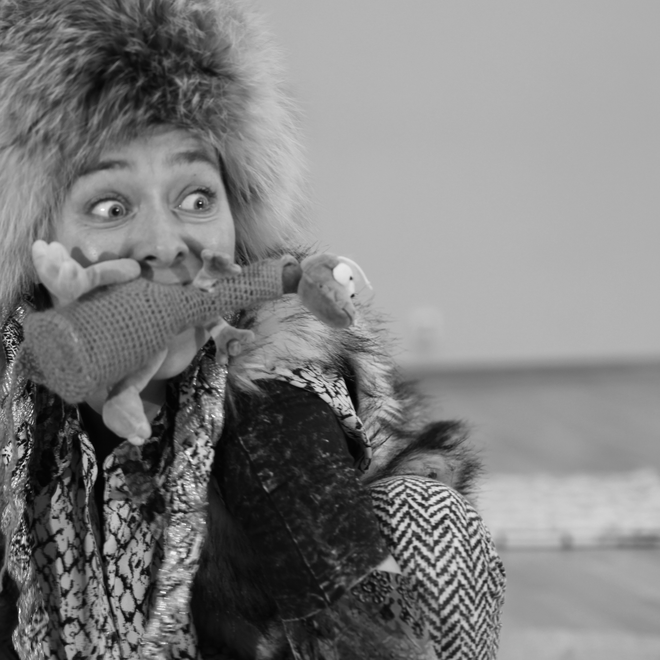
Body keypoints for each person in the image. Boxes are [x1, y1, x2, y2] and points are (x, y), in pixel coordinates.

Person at [0, 1, 505, 659]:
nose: (166, 243)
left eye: (197, 198)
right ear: (36, 244)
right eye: (110, 206)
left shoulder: (279, 391)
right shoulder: (17, 403)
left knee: (428, 523)